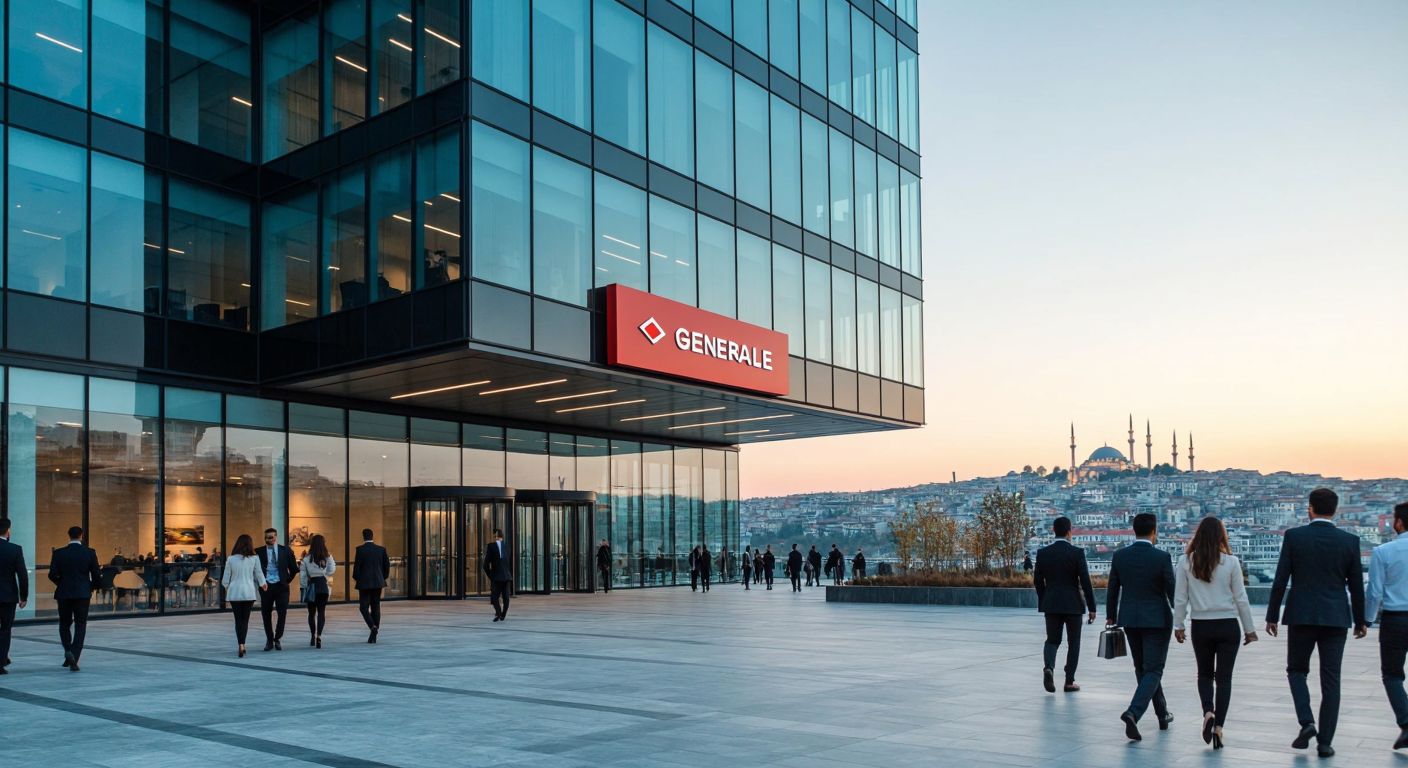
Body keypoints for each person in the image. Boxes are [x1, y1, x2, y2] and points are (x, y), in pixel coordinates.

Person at [1265, 487, 1368, 758]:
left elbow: (1281, 579)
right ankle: (1325, 743)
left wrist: (1272, 615)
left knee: (1296, 670)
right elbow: (1357, 586)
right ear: (1335, 510)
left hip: (1301, 614)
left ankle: (1307, 722)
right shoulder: (1349, 541)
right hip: (1336, 617)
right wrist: (1360, 620)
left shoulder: (1295, 537)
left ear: (1310, 508)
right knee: (1331, 680)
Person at [1173, 517, 1258, 750]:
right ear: (1222, 536)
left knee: (1204, 674)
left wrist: (1178, 625)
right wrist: (1250, 630)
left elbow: (1180, 598)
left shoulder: (1185, 561)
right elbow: (1241, 598)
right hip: (1228, 625)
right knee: (1224, 679)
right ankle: (1219, 727)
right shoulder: (1231, 562)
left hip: (1201, 625)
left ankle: (1207, 711)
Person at [1106, 512, 1176, 741]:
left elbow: (1113, 588)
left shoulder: (1120, 556)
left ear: (1133, 530)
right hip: (1157, 620)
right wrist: (1183, 616)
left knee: (1143, 669)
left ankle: (1163, 713)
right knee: (1154, 669)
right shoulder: (1162, 558)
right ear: (1154, 531)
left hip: (1129, 619)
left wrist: (1110, 616)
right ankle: (1133, 713)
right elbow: (1171, 591)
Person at [1033, 516, 1097, 694]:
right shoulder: (1077, 553)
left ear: (1053, 530)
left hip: (1051, 603)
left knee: (1052, 640)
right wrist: (1092, 607)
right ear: (1070, 531)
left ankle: (1049, 668)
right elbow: (1085, 581)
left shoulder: (1043, 553)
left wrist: (1044, 598)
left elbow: (1037, 581)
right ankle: (1069, 681)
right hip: (1073, 605)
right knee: (1074, 642)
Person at [1368, 501, 1408, 751]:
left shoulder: (1384, 552)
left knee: (1392, 674)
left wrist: (1366, 620)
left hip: (1395, 619)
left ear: (1399, 523)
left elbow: (1374, 593)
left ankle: (1405, 722)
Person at [49, 526, 101, 672]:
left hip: (64, 593)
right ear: (81, 536)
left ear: (69, 536)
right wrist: (91, 587)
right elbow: (96, 574)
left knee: (64, 623)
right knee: (81, 624)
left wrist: (62, 583)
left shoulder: (59, 553)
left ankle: (67, 649)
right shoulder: (89, 553)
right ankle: (74, 654)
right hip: (82, 593)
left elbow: (52, 574)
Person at [220, 534, 267, 658]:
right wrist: (263, 584)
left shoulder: (231, 559)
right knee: (245, 620)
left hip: (234, 591)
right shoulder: (254, 558)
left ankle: (240, 644)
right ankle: (243, 644)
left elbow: (226, 577)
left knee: (238, 620)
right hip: (248, 591)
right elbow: (259, 573)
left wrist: (226, 586)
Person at [257, 528, 299, 651]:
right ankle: (269, 640)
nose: (268, 540)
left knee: (282, 613)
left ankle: (277, 638)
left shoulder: (285, 550)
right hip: (266, 586)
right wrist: (261, 582)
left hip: (281, 586)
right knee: (266, 613)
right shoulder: (258, 552)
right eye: (266, 537)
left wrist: (286, 581)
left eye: (270, 537)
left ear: (276, 537)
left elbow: (294, 569)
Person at [0, 518, 29, 674]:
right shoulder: (15, 549)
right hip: (8, 596)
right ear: (7, 531)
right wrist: (23, 596)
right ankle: (1, 661)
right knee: (5, 629)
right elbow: (22, 575)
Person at [353, 528, 390, 644]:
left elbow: (357, 568)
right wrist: (382, 577)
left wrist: (357, 578)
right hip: (378, 582)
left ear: (363, 536)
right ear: (372, 536)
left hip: (364, 583)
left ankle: (373, 627)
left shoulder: (360, 550)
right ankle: (374, 632)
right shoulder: (381, 550)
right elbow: (386, 567)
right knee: (376, 606)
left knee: (363, 607)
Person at [300, 534, 336, 649]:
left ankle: (312, 635)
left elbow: (303, 576)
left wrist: (304, 587)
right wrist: (324, 574)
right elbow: (332, 570)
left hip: (312, 586)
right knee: (321, 612)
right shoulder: (327, 556)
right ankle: (319, 636)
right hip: (322, 586)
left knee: (311, 613)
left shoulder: (306, 558)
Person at [484, 529, 511, 621]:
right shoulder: (506, 546)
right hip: (506, 576)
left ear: (495, 536)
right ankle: (502, 615)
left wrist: (491, 576)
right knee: (506, 598)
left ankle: (499, 614)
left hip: (496, 577)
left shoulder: (491, 546)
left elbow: (485, 565)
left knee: (495, 598)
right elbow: (509, 563)